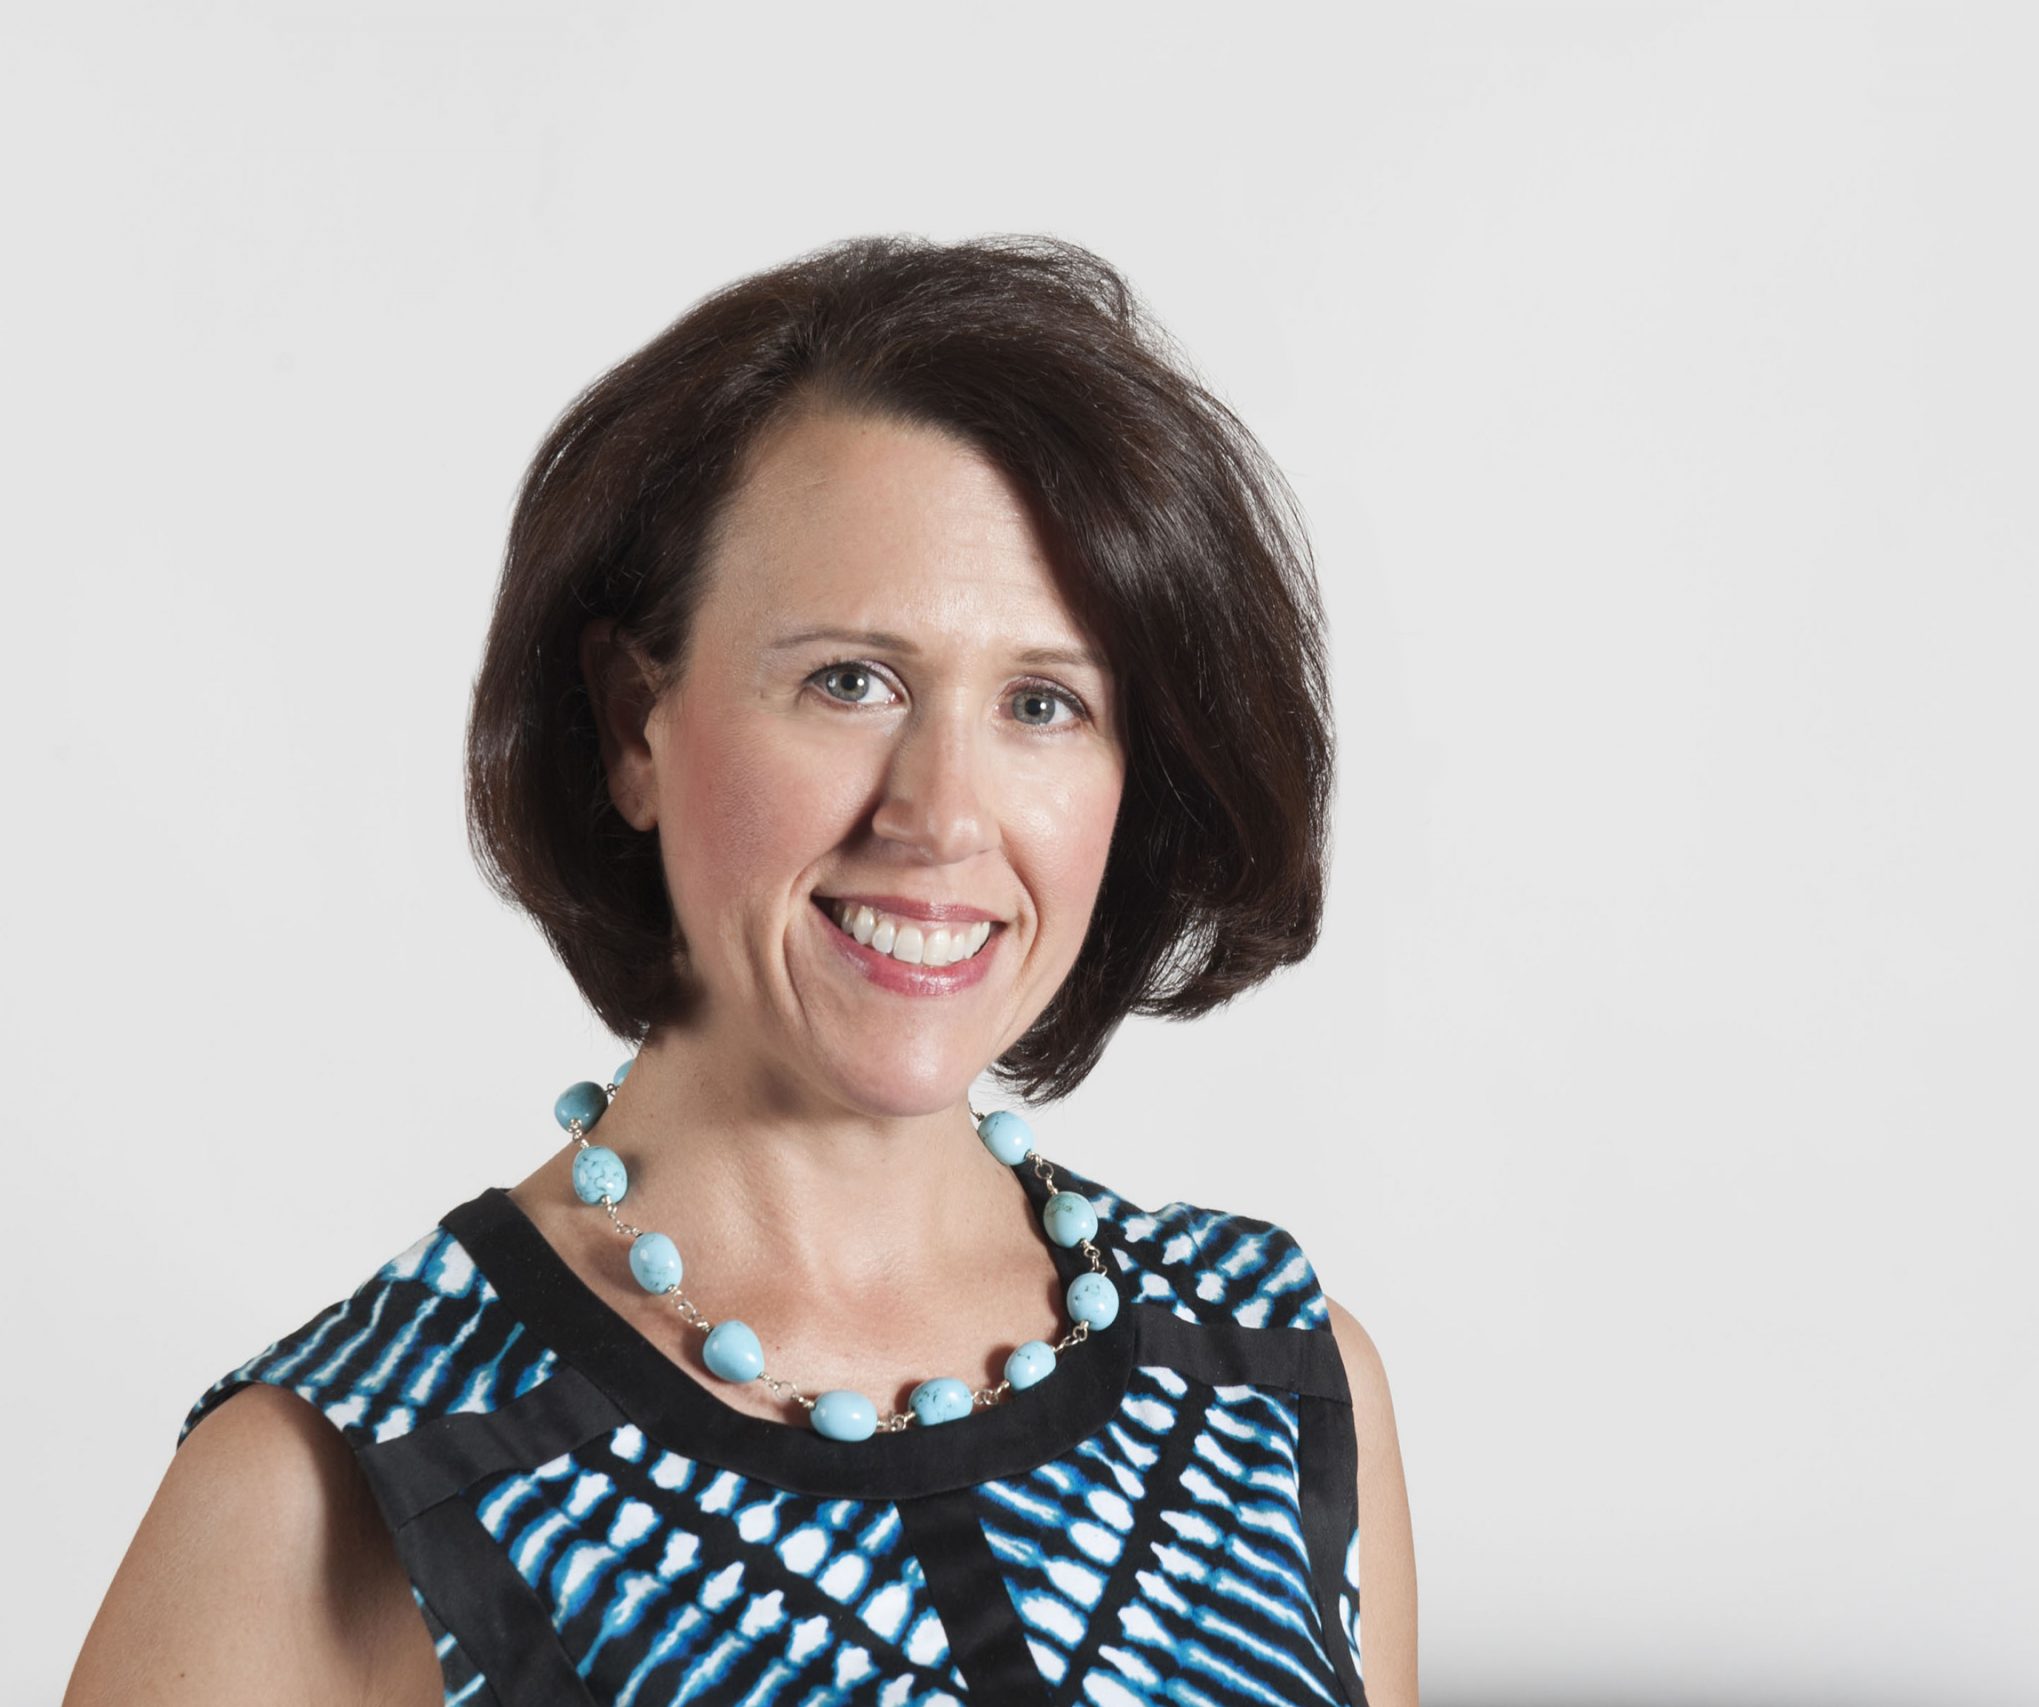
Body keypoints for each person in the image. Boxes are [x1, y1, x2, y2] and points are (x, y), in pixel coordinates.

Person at [67, 235, 1415, 1707]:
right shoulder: (329, 1490)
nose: (943, 813)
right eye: (851, 681)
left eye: (1045, 702)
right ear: (637, 725)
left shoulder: (1283, 1388)